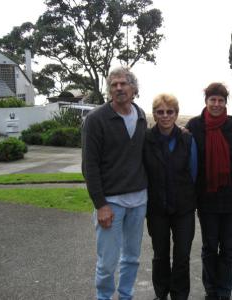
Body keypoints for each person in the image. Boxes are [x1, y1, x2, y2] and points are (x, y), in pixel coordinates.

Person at [82, 67, 147, 300]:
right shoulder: (96, 119)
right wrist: (101, 204)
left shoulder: (140, 116)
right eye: (114, 85)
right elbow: (89, 166)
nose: (118, 88)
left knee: (132, 257)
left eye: (123, 84)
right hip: (111, 203)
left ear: (134, 89)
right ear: (109, 90)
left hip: (139, 201)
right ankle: (104, 297)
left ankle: (126, 295)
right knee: (107, 262)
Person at [186, 83, 232, 300]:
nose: (216, 104)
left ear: (225, 103)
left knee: (227, 249)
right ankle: (211, 291)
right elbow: (183, 158)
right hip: (206, 200)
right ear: (206, 101)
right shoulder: (194, 126)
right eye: (212, 100)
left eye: (220, 100)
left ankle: (224, 292)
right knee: (209, 248)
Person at [143, 93, 198, 300]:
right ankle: (161, 293)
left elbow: (193, 172)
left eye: (169, 112)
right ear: (155, 114)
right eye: (160, 112)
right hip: (156, 208)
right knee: (160, 256)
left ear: (176, 114)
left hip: (183, 208)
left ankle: (179, 295)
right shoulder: (146, 139)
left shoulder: (187, 139)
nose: (165, 116)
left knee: (182, 256)